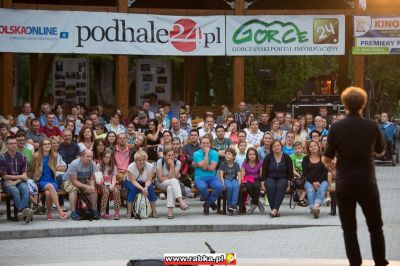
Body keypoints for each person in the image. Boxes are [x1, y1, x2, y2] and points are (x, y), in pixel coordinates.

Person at [322, 86, 388, 266]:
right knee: (375, 226)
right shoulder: (371, 125)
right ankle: (380, 261)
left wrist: (331, 164)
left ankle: (355, 262)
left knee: (349, 228)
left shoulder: (336, 127)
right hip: (367, 182)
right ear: (363, 104)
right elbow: (381, 151)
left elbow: (327, 157)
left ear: (344, 104)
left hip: (345, 183)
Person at [30, 139, 68, 221]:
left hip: (51, 180)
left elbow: (55, 169)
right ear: (41, 146)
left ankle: (49, 212)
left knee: (48, 193)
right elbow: (31, 170)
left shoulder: (54, 156)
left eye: (48, 144)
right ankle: (60, 210)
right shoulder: (36, 156)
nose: (47, 145)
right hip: (40, 181)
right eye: (45, 144)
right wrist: (34, 182)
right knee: (50, 187)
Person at [0, 136, 34, 223]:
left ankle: (20, 212)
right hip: (7, 182)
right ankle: (24, 211)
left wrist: (16, 181)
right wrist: (19, 178)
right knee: (15, 191)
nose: (14, 145)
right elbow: (4, 176)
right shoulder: (2, 158)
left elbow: (25, 175)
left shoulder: (22, 157)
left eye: (15, 143)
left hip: (18, 181)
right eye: (11, 143)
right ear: (7, 145)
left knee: (25, 189)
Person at [62, 149, 100, 220]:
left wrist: (91, 186)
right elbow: (74, 182)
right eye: (88, 156)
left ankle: (94, 211)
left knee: (93, 189)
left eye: (91, 157)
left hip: (83, 180)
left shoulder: (93, 164)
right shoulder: (75, 164)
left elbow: (92, 179)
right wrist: (85, 186)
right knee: (74, 189)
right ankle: (73, 212)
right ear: (81, 157)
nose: (90, 158)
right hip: (69, 181)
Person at [262, 140, 293, 218]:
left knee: (281, 186)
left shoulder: (286, 157)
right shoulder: (268, 157)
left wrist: (289, 183)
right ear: (272, 148)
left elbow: (290, 171)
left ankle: (274, 210)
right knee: (270, 186)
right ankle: (275, 210)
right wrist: (262, 182)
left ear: (281, 146)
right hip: (270, 177)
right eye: (274, 146)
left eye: (278, 145)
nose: (276, 147)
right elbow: (264, 170)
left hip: (283, 177)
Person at [193, 135, 223, 215]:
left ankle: (207, 204)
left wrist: (202, 165)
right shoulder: (196, 154)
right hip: (200, 177)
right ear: (200, 145)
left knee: (219, 186)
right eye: (203, 143)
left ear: (210, 144)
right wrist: (206, 154)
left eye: (207, 143)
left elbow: (212, 168)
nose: (205, 145)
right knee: (202, 187)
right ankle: (211, 203)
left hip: (212, 177)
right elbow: (204, 166)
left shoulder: (214, 153)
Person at [156, 148, 190, 219]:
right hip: (160, 184)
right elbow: (160, 178)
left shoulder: (177, 162)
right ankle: (181, 202)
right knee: (174, 181)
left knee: (170, 187)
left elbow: (174, 177)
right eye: (169, 155)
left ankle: (170, 211)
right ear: (164, 156)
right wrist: (170, 177)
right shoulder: (160, 161)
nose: (171, 157)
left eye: (172, 155)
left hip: (171, 184)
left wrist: (171, 166)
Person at [125, 150, 158, 219]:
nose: (142, 162)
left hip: (144, 182)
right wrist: (142, 189)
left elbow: (149, 180)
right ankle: (129, 211)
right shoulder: (131, 167)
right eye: (140, 160)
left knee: (150, 188)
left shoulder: (150, 166)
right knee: (133, 190)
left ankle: (154, 210)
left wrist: (146, 187)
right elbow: (133, 181)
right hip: (130, 181)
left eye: (144, 159)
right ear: (136, 160)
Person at [303, 141, 328, 219]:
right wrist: (313, 182)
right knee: (310, 191)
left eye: (315, 145)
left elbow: (325, 172)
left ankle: (314, 208)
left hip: (322, 180)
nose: (313, 147)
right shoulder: (306, 158)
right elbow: (305, 173)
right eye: (311, 146)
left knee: (322, 189)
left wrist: (318, 182)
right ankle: (315, 209)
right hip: (309, 181)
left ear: (318, 146)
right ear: (308, 149)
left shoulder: (323, 157)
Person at [97, 149, 121, 220]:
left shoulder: (113, 167)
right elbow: (98, 178)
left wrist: (113, 185)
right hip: (101, 185)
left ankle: (117, 212)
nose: (105, 159)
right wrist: (102, 184)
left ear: (111, 158)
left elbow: (114, 178)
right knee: (106, 191)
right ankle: (103, 212)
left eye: (108, 157)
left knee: (116, 191)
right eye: (104, 157)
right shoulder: (99, 166)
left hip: (110, 184)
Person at [241, 147, 264, 214]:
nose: (252, 156)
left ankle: (254, 205)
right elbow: (242, 173)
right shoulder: (244, 163)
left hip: (257, 179)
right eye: (250, 154)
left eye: (253, 154)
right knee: (248, 186)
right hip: (248, 179)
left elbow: (261, 175)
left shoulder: (260, 163)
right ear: (247, 156)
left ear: (256, 155)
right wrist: (242, 178)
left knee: (256, 186)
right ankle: (257, 202)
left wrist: (262, 170)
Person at [218, 148, 241, 214]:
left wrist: (239, 182)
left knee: (236, 186)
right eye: (226, 154)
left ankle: (233, 204)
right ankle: (229, 205)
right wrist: (223, 183)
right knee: (229, 187)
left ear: (233, 156)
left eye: (229, 154)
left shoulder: (236, 164)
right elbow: (221, 175)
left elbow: (239, 174)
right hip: (226, 179)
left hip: (233, 179)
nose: (227, 155)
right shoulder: (223, 164)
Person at [290, 141, 307, 207]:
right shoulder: (291, 157)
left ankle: (301, 199)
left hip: (304, 174)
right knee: (297, 182)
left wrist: (304, 175)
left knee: (308, 181)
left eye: (299, 148)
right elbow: (293, 169)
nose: (297, 150)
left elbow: (307, 168)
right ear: (293, 150)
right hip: (296, 174)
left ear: (302, 149)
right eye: (295, 148)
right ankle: (302, 199)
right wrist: (298, 175)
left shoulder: (305, 156)